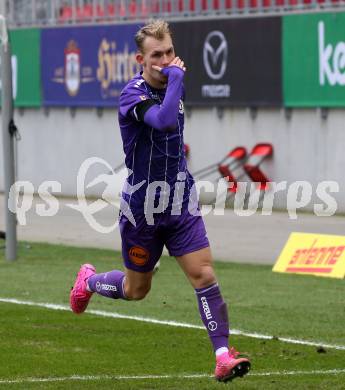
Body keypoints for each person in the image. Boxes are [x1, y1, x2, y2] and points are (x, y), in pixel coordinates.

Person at [70, 19, 250, 382]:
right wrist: (179, 80)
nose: (166, 60)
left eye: (169, 52)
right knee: (137, 290)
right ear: (141, 59)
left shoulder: (171, 86)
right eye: (157, 55)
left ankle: (222, 356)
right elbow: (165, 121)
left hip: (180, 202)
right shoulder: (132, 95)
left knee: (204, 274)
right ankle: (88, 281)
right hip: (142, 210)